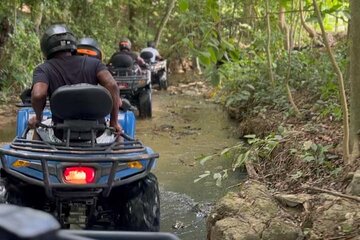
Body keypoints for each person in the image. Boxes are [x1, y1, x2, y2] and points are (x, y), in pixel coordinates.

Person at [28, 24, 122, 135]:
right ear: (72, 43)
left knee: (37, 133)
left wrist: (39, 118)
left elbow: (38, 95)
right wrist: (114, 122)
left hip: (61, 133)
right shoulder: (94, 63)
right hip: (97, 132)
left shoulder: (43, 69)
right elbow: (112, 85)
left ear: (45, 47)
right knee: (118, 136)